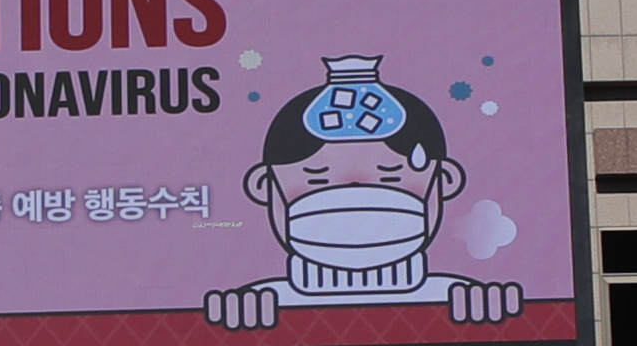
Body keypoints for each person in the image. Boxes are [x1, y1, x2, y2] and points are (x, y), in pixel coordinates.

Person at [204, 55, 521, 330]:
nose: (354, 192)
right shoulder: (264, 303)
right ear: (264, 185)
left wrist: (484, 306)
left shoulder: (454, 296)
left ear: (445, 179)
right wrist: (240, 313)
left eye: (391, 176)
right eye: (317, 179)